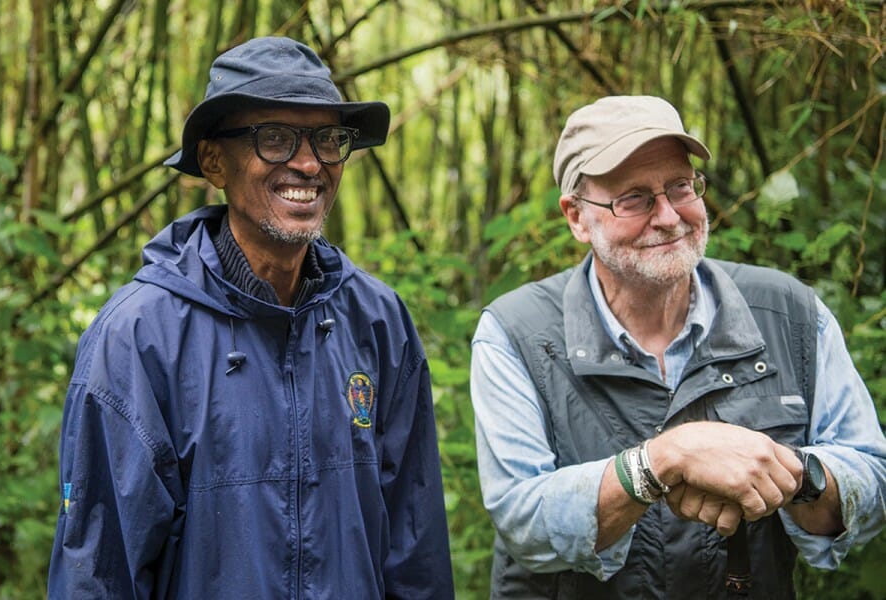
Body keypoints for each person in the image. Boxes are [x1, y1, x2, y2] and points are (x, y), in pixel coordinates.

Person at [48, 36, 454, 599]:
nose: (309, 163)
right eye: (276, 138)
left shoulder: (377, 321)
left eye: (327, 139)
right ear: (215, 160)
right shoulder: (138, 339)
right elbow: (97, 571)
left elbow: (416, 550)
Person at [470, 95, 886, 599]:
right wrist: (660, 461)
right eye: (634, 198)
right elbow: (523, 517)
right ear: (577, 218)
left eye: (680, 187)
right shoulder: (516, 334)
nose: (668, 216)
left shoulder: (791, 313)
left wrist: (792, 473)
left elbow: (873, 477)